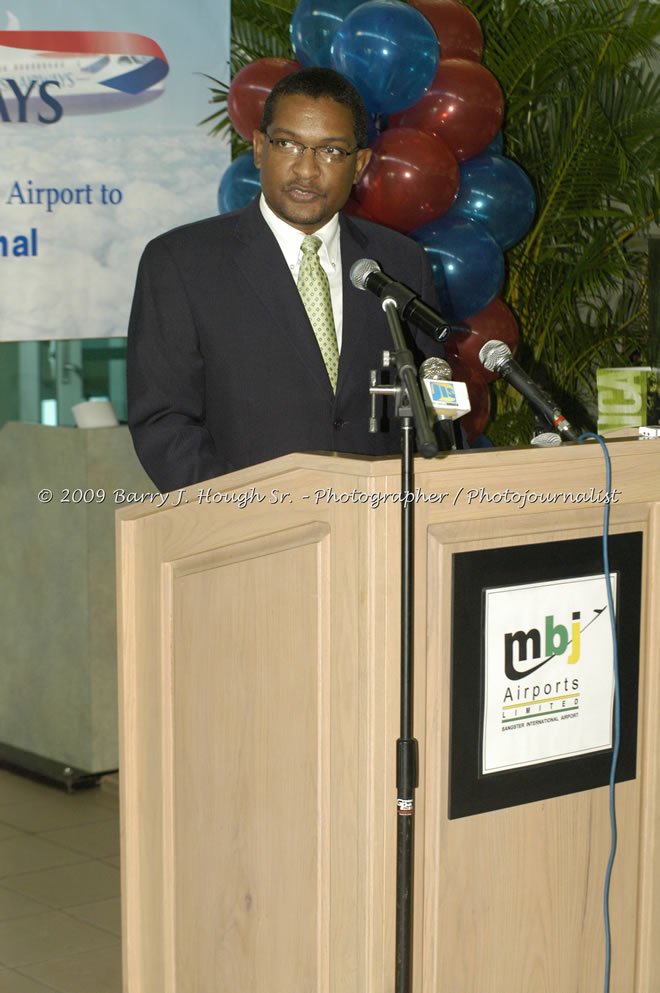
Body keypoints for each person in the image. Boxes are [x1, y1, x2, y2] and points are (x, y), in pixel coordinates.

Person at [127, 67, 443, 493]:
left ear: (360, 164)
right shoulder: (181, 263)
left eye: (331, 151)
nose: (307, 171)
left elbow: (431, 402)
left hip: (381, 532)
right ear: (259, 148)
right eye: (288, 144)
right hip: (248, 535)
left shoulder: (400, 263)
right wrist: (245, 516)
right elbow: (164, 422)